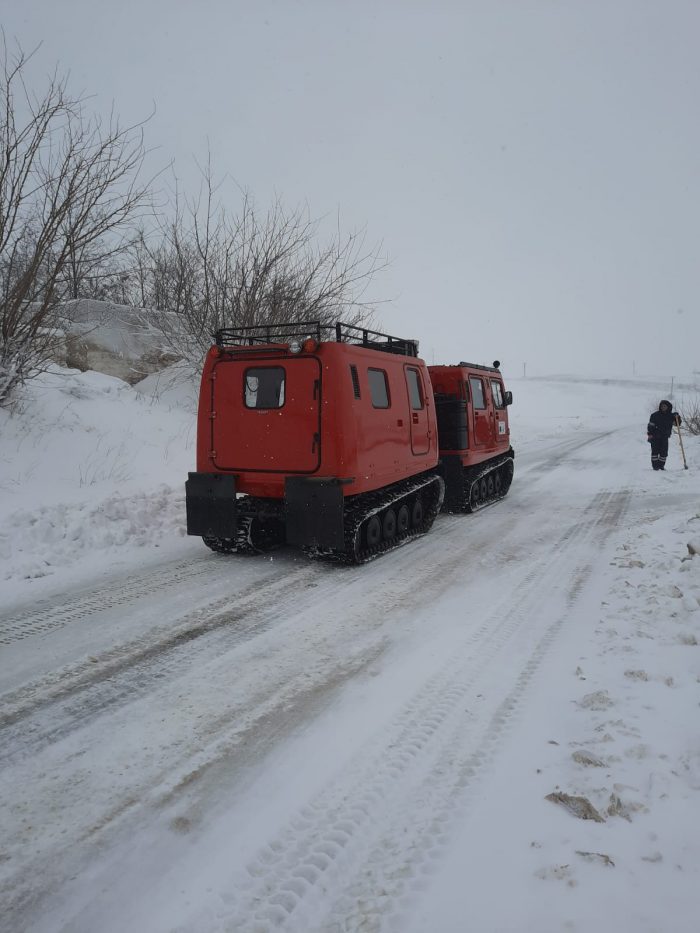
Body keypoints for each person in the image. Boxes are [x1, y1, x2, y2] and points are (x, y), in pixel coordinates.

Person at [647, 400, 681, 470]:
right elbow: (650, 426)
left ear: (668, 407)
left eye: (665, 406)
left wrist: (677, 417)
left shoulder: (671, 416)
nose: (663, 407)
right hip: (655, 436)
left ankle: (661, 466)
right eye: (662, 406)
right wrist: (650, 434)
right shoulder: (655, 415)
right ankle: (655, 467)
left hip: (665, 437)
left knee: (664, 453)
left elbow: (677, 424)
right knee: (655, 452)